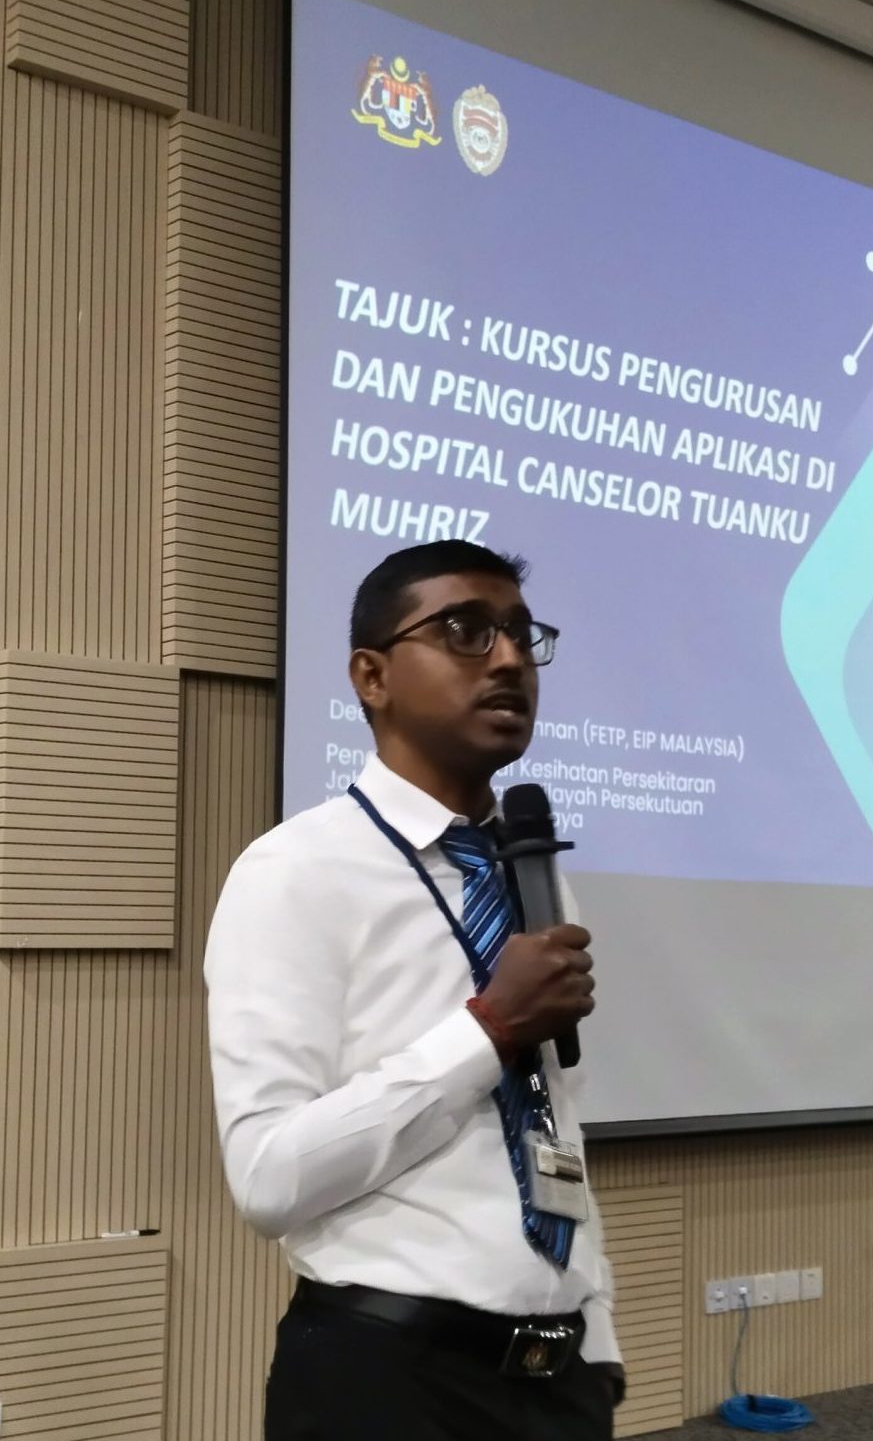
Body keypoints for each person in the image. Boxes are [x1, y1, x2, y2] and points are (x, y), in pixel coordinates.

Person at [205, 540, 623, 1440]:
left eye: (520, 633)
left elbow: (554, 1116)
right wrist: (489, 1028)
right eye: (466, 630)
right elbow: (268, 1176)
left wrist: (598, 1331)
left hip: (557, 1378)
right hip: (386, 1380)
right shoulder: (294, 871)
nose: (508, 658)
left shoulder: (531, 874)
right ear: (372, 675)